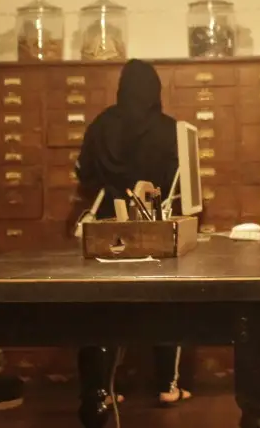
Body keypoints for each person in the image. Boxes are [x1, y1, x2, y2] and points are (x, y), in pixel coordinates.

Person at [74, 59, 188, 406]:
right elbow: (178, 182)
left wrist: (113, 188)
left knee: (101, 307)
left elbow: (85, 173)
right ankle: (166, 385)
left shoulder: (102, 124)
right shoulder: (168, 129)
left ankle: (102, 389)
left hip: (106, 227)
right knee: (165, 304)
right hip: (154, 225)